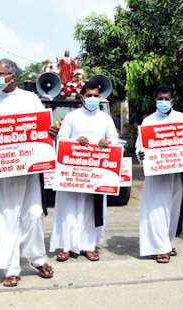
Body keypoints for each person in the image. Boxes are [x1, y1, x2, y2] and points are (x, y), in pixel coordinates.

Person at [0, 59, 54, 287]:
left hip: (27, 173)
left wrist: (52, 132)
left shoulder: (30, 99)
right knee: (4, 219)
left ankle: (37, 259)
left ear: (12, 76)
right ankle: (11, 268)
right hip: (0, 173)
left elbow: (43, 129)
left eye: (0, 73)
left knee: (34, 214)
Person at [49, 80, 118, 262]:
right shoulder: (72, 117)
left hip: (95, 174)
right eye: (89, 95)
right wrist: (76, 140)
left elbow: (115, 140)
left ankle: (89, 246)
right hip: (73, 173)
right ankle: (67, 247)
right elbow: (62, 139)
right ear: (82, 97)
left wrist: (107, 142)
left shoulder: (106, 118)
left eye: (96, 95)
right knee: (69, 209)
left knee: (90, 210)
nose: (93, 99)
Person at [136, 85, 183, 264]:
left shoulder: (182, 118)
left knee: (173, 209)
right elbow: (139, 145)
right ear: (155, 100)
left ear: (172, 101)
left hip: (175, 173)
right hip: (156, 174)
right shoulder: (148, 121)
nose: (163, 102)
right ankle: (160, 249)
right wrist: (140, 153)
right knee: (157, 210)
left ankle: (168, 242)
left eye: (167, 99)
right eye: (160, 99)